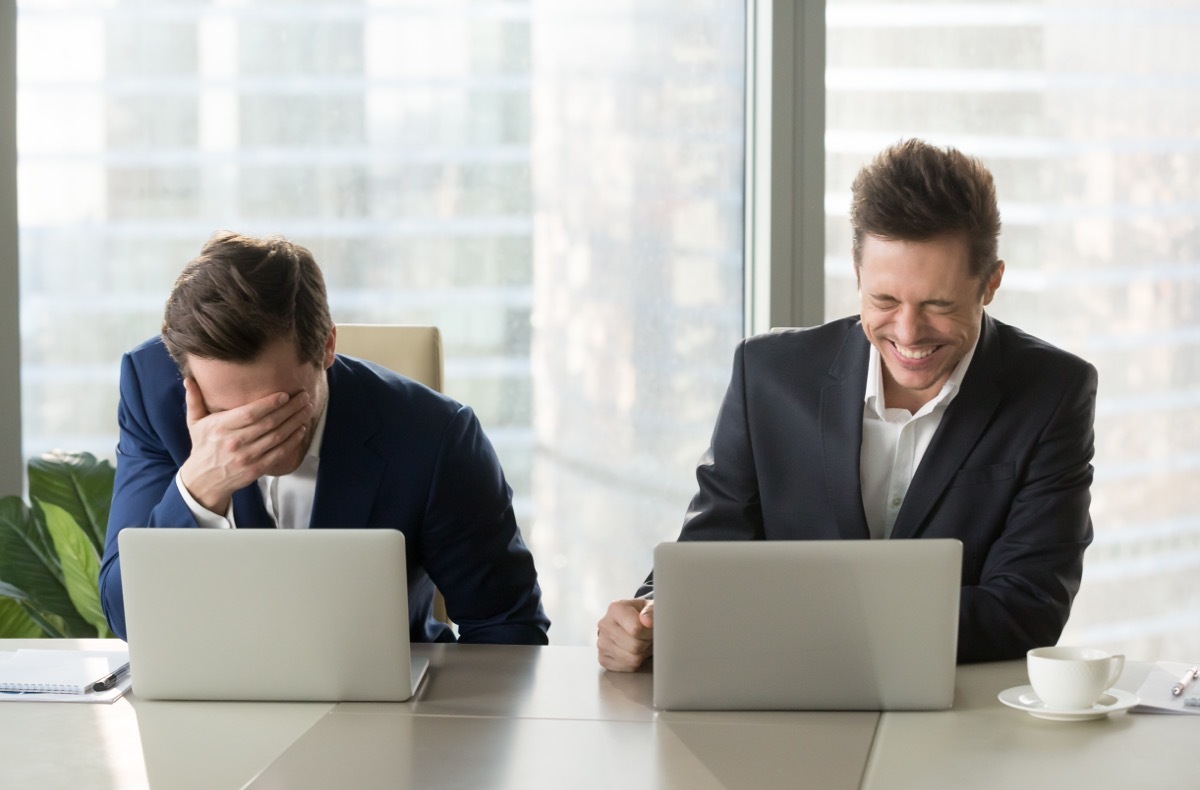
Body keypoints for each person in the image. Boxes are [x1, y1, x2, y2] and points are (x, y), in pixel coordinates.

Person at [597, 138, 1097, 670]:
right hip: (785, 709)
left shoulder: (1053, 392)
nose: (908, 333)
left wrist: (802, 624)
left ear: (990, 283)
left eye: (938, 305)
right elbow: (711, 556)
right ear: (857, 274)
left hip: (959, 719)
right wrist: (650, 615)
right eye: (884, 300)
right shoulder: (766, 375)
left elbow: (1026, 607)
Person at [99, 231, 550, 645]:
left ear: (327, 347)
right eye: (224, 416)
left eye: (276, 408)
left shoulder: (435, 435)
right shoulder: (152, 393)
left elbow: (508, 627)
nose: (250, 437)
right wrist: (200, 487)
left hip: (386, 708)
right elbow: (124, 617)